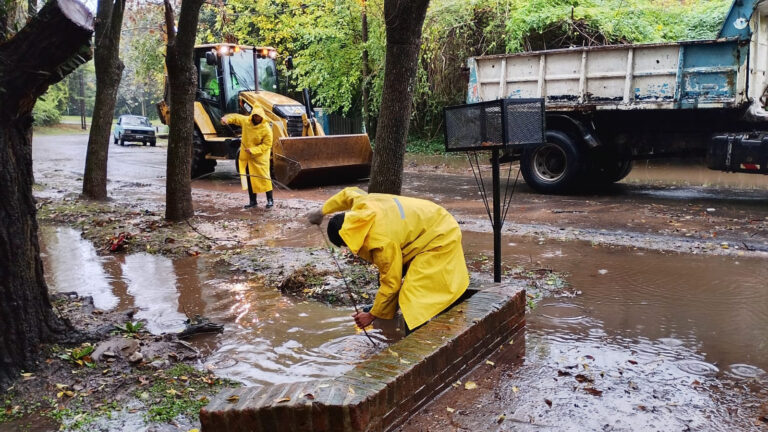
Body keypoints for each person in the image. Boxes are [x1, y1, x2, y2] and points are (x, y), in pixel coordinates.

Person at [308, 187, 469, 334]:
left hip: (439, 234)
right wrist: (322, 211)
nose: (349, 249)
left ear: (348, 240)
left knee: (413, 296)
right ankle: (386, 316)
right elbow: (347, 194)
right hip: (426, 223)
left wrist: (370, 316)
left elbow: (392, 283)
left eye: (346, 245)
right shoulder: (363, 205)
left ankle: (415, 341)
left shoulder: (381, 243)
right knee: (386, 280)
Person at [221, 106, 274, 209]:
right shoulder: (246, 121)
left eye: (258, 116)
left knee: (265, 178)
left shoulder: (266, 129)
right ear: (252, 116)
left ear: (262, 117)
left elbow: (267, 145)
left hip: (260, 157)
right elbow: (236, 118)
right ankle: (253, 201)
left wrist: (253, 150)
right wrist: (227, 119)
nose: (257, 118)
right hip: (247, 157)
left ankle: (270, 200)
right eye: (255, 116)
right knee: (250, 179)